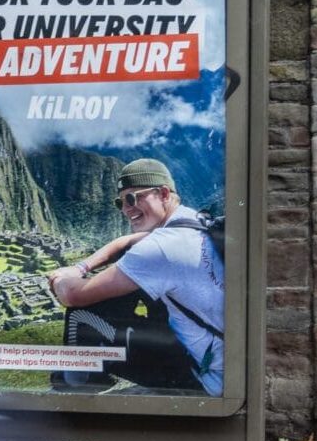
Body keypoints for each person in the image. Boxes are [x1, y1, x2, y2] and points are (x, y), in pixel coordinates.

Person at [45, 158, 225, 395]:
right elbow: (126, 242)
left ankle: (74, 393)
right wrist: (80, 268)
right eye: (120, 202)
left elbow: (74, 295)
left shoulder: (161, 248)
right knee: (127, 285)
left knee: (82, 316)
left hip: (202, 376)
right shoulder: (193, 222)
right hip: (221, 359)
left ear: (162, 193)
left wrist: (61, 278)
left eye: (133, 198)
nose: (126, 208)